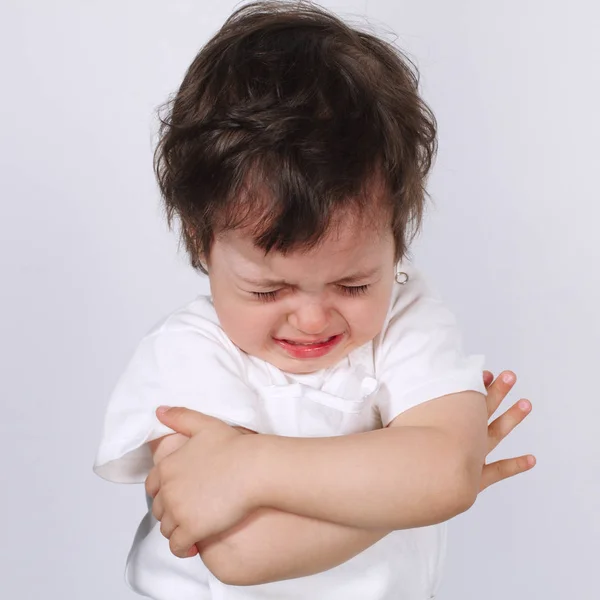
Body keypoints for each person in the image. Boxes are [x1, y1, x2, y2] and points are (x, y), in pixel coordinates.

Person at [93, 2, 535, 598]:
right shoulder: (188, 354)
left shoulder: (405, 319)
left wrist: (250, 466)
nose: (312, 318)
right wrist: (422, 487)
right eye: (267, 289)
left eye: (354, 285)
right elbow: (243, 553)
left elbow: (446, 474)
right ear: (203, 244)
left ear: (397, 240)